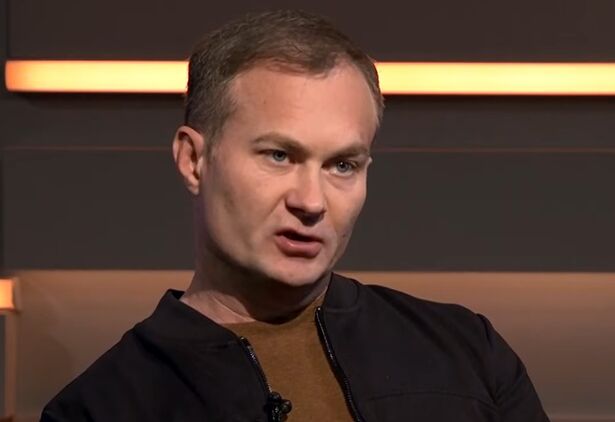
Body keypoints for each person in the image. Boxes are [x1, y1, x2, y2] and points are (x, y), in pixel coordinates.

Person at [41, 10, 549, 422]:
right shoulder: (99, 408)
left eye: (342, 165)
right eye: (279, 156)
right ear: (194, 160)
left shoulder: (467, 351)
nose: (311, 202)